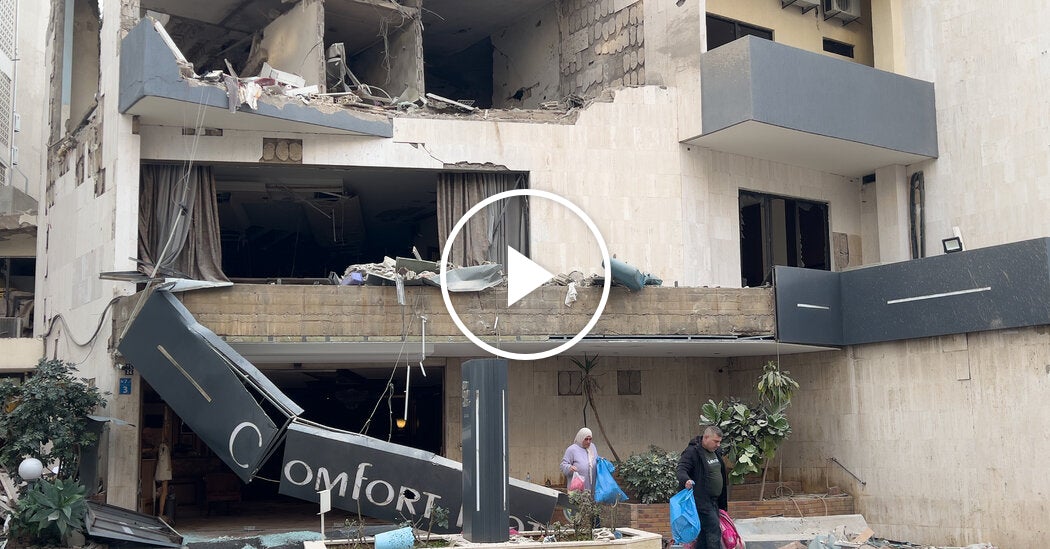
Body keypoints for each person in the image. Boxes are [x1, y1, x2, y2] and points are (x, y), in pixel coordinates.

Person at [676, 425, 729, 549]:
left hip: (714, 500)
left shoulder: (716, 452)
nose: (718, 445)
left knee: (704, 533)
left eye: (719, 442)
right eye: (715, 441)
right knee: (714, 529)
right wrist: (686, 480)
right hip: (701, 500)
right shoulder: (692, 452)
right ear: (706, 438)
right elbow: (681, 469)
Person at [561, 427, 598, 494]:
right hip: (577, 487)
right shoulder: (572, 449)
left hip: (592, 486)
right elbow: (563, 465)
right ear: (581, 438)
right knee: (578, 499)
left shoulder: (592, 447)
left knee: (591, 499)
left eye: (590, 439)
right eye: (586, 439)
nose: (588, 442)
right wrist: (569, 467)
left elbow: (596, 460)